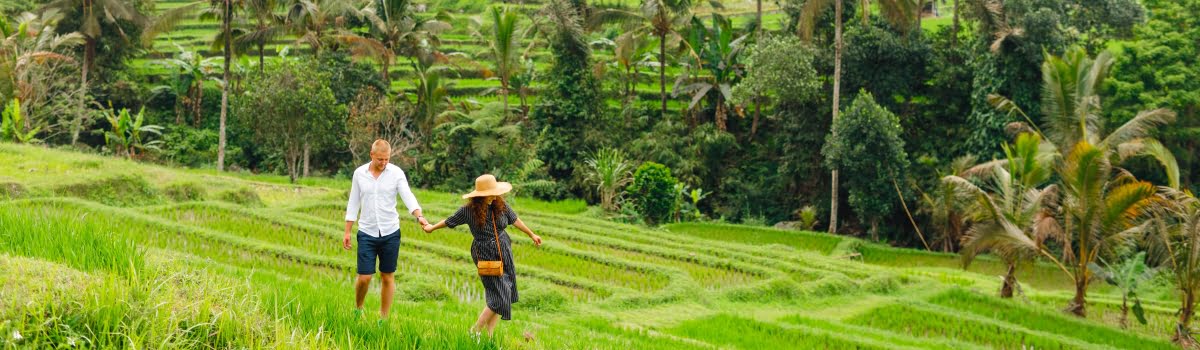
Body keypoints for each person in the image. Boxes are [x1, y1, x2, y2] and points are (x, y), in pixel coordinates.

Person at [423, 174, 543, 338]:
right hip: (484, 252)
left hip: (503, 249)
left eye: (495, 192)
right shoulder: (468, 210)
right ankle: (475, 331)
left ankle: (489, 336)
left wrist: (532, 234)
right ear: (480, 195)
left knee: (504, 291)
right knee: (499, 295)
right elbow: (449, 221)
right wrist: (431, 228)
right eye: (490, 193)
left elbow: (515, 220)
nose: (494, 196)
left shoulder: (499, 204)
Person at [343, 139, 430, 320]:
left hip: (390, 231)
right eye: (380, 159)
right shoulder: (359, 174)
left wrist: (419, 215)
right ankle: (358, 309)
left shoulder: (396, 173)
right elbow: (353, 202)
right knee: (365, 277)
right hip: (367, 231)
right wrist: (347, 231)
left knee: (387, 276)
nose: (383, 163)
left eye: (387, 159)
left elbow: (407, 195)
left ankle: (383, 318)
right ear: (372, 155)